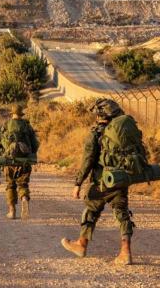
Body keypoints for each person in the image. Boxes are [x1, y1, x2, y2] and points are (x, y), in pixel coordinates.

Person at [61, 99, 136, 265]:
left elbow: (88, 161)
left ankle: (81, 244)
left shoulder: (95, 134)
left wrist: (77, 184)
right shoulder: (124, 131)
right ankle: (126, 252)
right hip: (121, 178)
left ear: (99, 115)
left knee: (91, 210)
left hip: (102, 181)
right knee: (122, 213)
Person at [0, 104, 38, 221]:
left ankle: (12, 211)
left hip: (9, 161)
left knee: (10, 185)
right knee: (23, 184)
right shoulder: (27, 126)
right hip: (24, 161)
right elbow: (35, 144)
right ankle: (24, 198)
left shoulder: (6, 125)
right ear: (21, 114)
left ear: (12, 114)